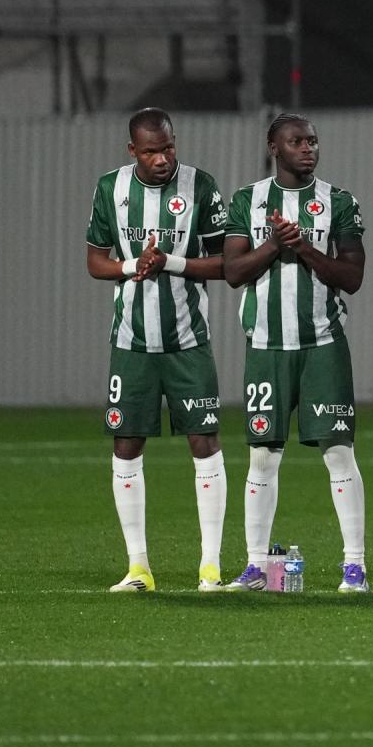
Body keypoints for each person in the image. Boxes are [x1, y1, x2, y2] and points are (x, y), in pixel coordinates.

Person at [221, 113, 368, 592]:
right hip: (266, 346)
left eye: (312, 140)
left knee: (339, 453)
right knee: (262, 457)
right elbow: (234, 270)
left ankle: (355, 566)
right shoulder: (248, 200)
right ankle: (258, 566)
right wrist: (274, 245)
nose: (308, 148)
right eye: (297, 141)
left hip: (323, 345)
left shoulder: (339, 202)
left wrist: (303, 248)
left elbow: (352, 277)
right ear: (274, 147)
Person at [85, 108, 231, 592]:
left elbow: (226, 264)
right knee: (126, 447)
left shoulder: (201, 186)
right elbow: (95, 261)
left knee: (204, 444)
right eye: (151, 151)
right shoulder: (111, 189)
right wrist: (133, 268)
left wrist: (169, 261)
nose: (163, 158)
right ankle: (138, 567)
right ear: (133, 151)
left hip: (189, 341)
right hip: (131, 341)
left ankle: (209, 566)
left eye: (168, 147)